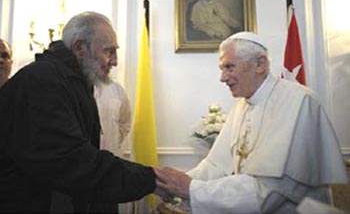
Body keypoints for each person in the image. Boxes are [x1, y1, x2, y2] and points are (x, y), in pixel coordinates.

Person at [155, 32, 347, 214]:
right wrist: (174, 184)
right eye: (222, 69)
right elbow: (216, 165)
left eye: (229, 67)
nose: (222, 77)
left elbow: (266, 193)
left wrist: (191, 189)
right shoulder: (242, 107)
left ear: (260, 64)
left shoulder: (299, 103)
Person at [0, 11, 155, 213]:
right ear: (79, 47)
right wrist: (152, 178)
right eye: (109, 51)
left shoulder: (73, 82)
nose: (115, 61)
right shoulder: (42, 80)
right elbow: (70, 160)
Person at [94, 79, 131, 157]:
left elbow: (125, 123)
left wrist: (113, 140)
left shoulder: (117, 90)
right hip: (80, 161)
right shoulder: (72, 88)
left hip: (110, 158)